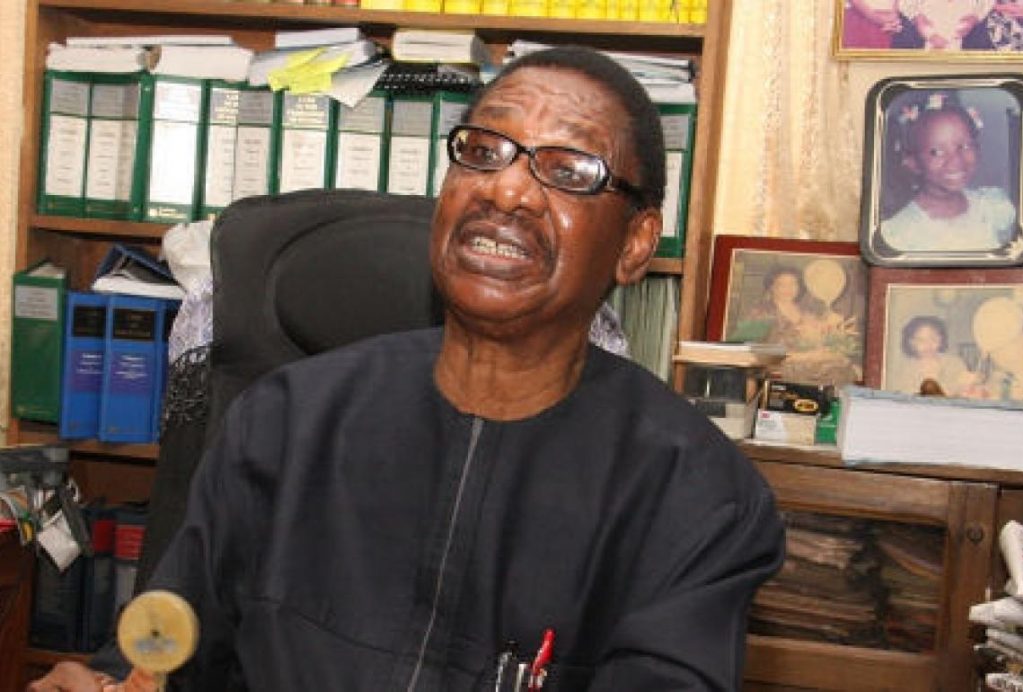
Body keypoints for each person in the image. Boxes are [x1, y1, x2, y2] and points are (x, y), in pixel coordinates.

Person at [30, 46, 784, 691]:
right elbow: (168, 646)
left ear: (636, 243)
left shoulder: (696, 497)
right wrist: (110, 680)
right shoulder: (285, 422)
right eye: (483, 152)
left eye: (567, 169)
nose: (506, 189)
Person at [879, 91, 1017, 254]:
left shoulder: (993, 206)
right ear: (912, 162)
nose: (956, 161)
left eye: (965, 146)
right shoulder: (900, 233)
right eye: (936, 152)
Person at [727, 265, 861, 385]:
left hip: (812, 365)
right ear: (771, 287)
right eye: (782, 284)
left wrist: (834, 332)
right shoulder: (760, 313)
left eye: (793, 284)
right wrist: (805, 356)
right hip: (780, 371)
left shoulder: (806, 311)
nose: (789, 289)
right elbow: (746, 351)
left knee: (849, 367)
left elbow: (821, 339)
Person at [888, 315, 984, 397]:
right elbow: (904, 394)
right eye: (921, 340)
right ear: (911, 343)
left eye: (933, 339)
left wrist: (972, 381)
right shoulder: (906, 368)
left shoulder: (954, 362)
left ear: (941, 339)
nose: (928, 345)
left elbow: (964, 388)